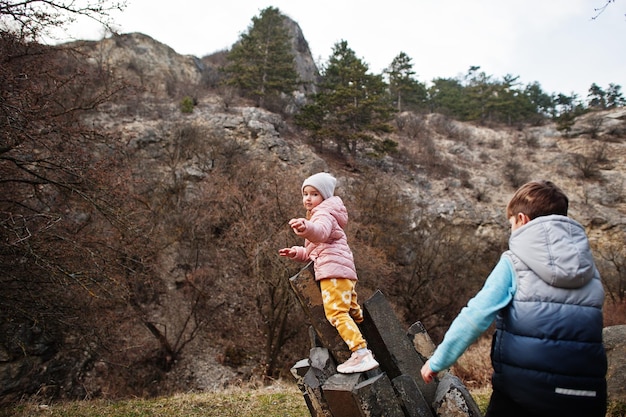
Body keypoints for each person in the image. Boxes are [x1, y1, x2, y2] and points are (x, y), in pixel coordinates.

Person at [420, 180, 607, 417]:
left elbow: (475, 316)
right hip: (588, 396)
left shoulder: (514, 262)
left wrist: (438, 361)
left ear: (522, 219)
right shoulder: (588, 268)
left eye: (511, 224)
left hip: (525, 393)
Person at [279, 172, 379, 374]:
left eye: (314, 194)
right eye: (305, 193)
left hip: (333, 273)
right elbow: (313, 250)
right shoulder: (324, 214)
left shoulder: (323, 214)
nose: (308, 198)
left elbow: (320, 232)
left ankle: (361, 353)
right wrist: (296, 252)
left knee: (336, 313)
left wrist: (306, 227)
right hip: (342, 272)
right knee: (353, 312)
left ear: (324, 196)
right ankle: (373, 343)